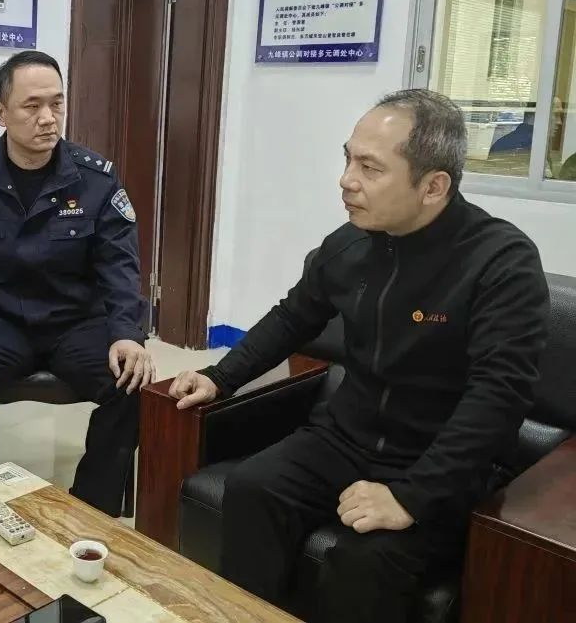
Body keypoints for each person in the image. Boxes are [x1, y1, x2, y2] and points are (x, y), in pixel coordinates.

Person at [169, 90, 548, 623]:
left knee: (366, 561)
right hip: (345, 436)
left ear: (433, 186)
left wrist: (412, 497)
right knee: (253, 489)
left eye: (370, 168)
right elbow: (293, 317)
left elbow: (499, 396)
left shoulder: (500, 263)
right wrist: (220, 376)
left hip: (438, 458)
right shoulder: (351, 244)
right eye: (348, 159)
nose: (346, 180)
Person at [0, 50, 153, 517]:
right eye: (32, 106)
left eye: (57, 103)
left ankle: (93, 508)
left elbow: (120, 266)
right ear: (1, 112)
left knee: (132, 381)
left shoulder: (95, 179)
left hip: (78, 323)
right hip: (3, 322)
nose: (48, 118)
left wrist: (127, 334)